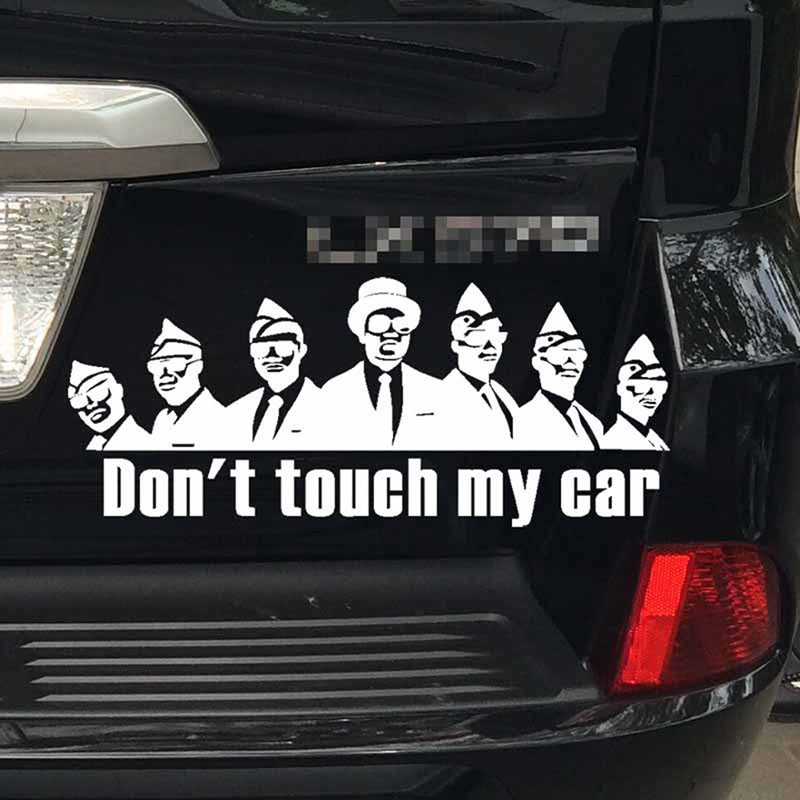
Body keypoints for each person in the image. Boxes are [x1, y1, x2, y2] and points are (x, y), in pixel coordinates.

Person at [319, 277, 442, 449]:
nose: (392, 334)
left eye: (402, 326)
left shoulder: (435, 390)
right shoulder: (334, 391)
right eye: (379, 324)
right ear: (362, 334)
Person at [224, 296, 321, 449]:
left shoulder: (328, 406)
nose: (271, 357)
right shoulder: (236, 410)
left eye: (282, 347)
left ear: (301, 350)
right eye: (261, 349)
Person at [439, 283, 518, 449]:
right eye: (478, 337)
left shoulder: (502, 394)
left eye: (495, 336)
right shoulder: (442, 397)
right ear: (456, 346)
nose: (491, 348)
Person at [515, 302, 603, 450]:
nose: (571, 363)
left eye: (578, 354)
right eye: (559, 354)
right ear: (537, 362)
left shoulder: (593, 424)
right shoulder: (522, 420)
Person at [147, 318, 225, 449]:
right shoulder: (163, 419)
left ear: (198, 366)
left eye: (175, 363)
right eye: (156, 366)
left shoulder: (218, 418)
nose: (164, 374)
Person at [602, 334, 669, 450]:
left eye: (659, 386)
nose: (652, 393)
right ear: (620, 388)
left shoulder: (652, 437)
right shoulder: (614, 442)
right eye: (642, 385)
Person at [67, 360, 151, 451]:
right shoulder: (94, 446)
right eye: (79, 401)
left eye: (98, 392)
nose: (90, 406)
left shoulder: (142, 444)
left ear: (119, 389)